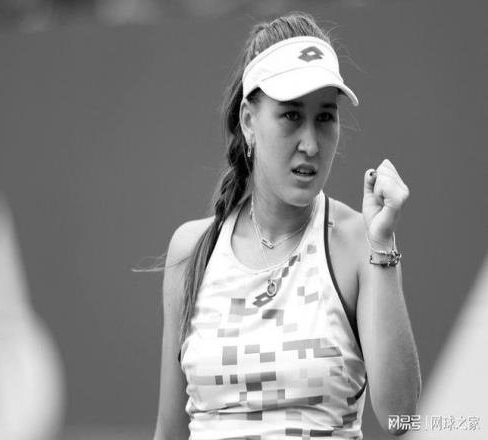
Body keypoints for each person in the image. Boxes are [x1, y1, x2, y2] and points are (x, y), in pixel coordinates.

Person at [152, 12, 421, 440]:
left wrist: (383, 242)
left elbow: (400, 417)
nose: (311, 144)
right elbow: (170, 430)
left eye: (325, 117)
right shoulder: (192, 249)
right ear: (248, 121)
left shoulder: (362, 242)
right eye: (292, 116)